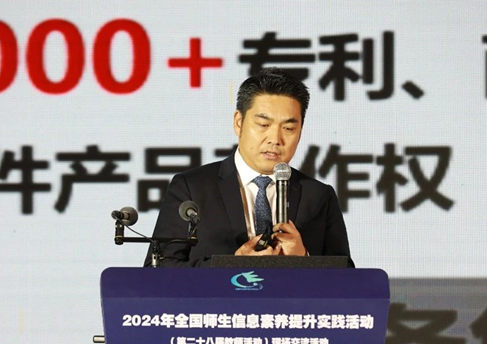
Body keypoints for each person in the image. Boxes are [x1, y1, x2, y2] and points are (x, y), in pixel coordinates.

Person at [144, 68, 353, 267]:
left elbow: (347, 278)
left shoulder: (319, 196)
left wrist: (304, 260)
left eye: (289, 128)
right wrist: (232, 266)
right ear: (239, 122)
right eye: (263, 125)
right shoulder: (192, 188)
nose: (275, 139)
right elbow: (158, 268)